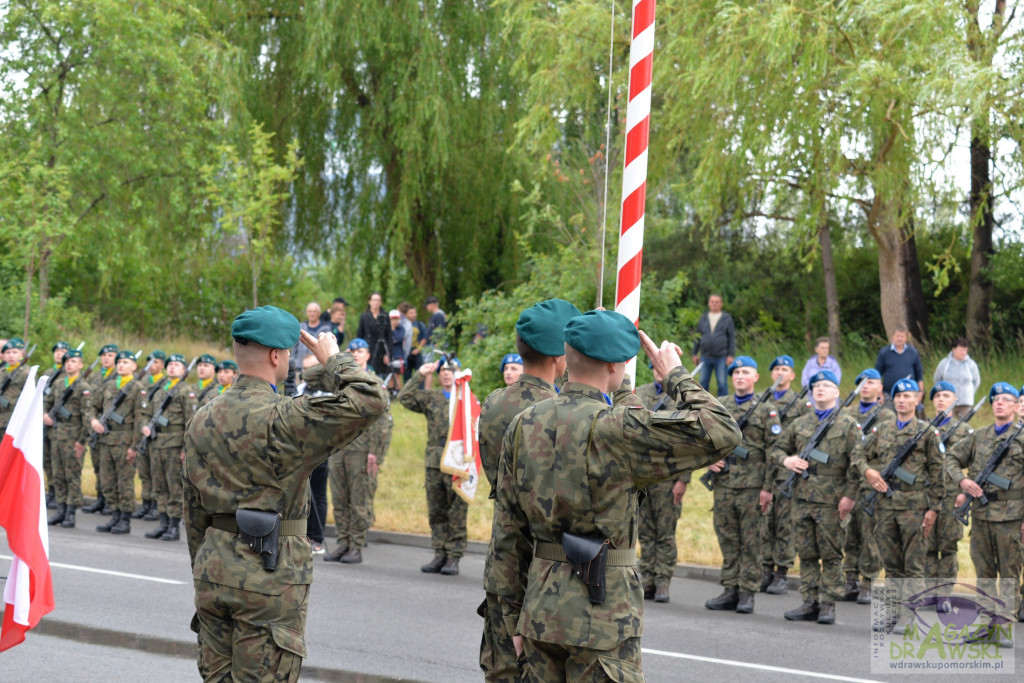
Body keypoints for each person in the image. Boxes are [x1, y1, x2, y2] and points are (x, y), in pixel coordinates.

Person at [490, 312, 740, 681]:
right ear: (615, 365)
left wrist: (512, 620)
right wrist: (675, 375)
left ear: (566, 357)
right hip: (602, 613)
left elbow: (507, 534)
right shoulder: (618, 427)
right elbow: (721, 430)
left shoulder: (524, 423)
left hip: (540, 610)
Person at [183, 306, 388, 681]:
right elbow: (371, 399)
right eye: (289, 353)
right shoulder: (287, 418)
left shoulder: (203, 417)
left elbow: (193, 511)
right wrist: (335, 360)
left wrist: (207, 564)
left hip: (213, 570)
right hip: (268, 576)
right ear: (277, 356)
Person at [478, 298, 581, 682]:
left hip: (502, 557)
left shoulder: (492, 403)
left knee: (503, 669)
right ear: (560, 355)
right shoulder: (560, 412)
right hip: (547, 564)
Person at [851, 378, 943, 634]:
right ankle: (892, 613)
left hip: (915, 507)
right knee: (891, 565)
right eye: (898, 396)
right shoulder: (882, 428)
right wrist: (868, 471)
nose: (902, 400)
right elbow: (857, 453)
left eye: (908, 395)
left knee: (912, 565)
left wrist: (934, 509)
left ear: (917, 400)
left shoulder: (927, 432)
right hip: (886, 505)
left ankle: (908, 616)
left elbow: (938, 474)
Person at [768, 370, 861, 625]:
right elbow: (775, 448)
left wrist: (850, 497)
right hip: (802, 498)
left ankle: (829, 603)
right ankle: (810, 601)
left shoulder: (848, 425)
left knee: (831, 554)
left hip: (832, 501)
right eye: (816, 386)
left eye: (826, 385)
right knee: (807, 553)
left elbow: (857, 464)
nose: (820, 389)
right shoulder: (800, 424)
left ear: (836, 392)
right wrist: (787, 460)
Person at [704, 356, 780, 614]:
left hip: (752, 486)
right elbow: (707, 437)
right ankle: (730, 588)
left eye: (745, 372)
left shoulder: (765, 409)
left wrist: (768, 488)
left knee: (751, 540)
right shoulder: (720, 404)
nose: (739, 376)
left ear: (756, 377)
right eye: (735, 372)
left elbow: (774, 450)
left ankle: (747, 592)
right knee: (727, 537)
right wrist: (709, 460)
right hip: (725, 483)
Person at [945, 382, 1024, 625]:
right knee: (985, 572)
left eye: (1006, 399)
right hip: (981, 513)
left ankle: (1006, 622)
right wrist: (963, 482)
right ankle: (988, 621)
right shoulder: (979, 435)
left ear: (1015, 406)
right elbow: (951, 458)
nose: (999, 403)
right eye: (996, 399)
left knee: (1009, 573)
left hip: (1011, 517)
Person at [317, 338, 392, 565]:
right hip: (340, 448)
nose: (356, 354)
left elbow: (384, 423)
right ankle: (343, 543)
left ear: (368, 355)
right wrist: (333, 357)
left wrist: (375, 454)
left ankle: (356, 546)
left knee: (359, 500)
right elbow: (311, 376)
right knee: (340, 498)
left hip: (362, 450)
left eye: (359, 351)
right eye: (352, 351)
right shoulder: (340, 381)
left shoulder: (374, 382)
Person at [398, 356, 467, 575]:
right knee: (436, 509)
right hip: (434, 461)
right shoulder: (432, 398)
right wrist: (421, 373)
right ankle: (439, 553)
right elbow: (404, 397)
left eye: (451, 369)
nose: (446, 373)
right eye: (442, 370)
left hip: (457, 462)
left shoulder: (466, 399)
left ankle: (454, 556)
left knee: (456, 510)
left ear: (457, 373)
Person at [636, 364, 690, 604]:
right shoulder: (640, 393)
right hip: (643, 476)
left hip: (668, 478)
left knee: (665, 534)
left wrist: (683, 480)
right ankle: (646, 580)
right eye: (655, 368)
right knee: (645, 533)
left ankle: (663, 583)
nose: (659, 372)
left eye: (662, 368)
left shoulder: (682, 398)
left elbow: (688, 443)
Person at [839, 368, 891, 604]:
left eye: (871, 382)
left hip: (870, 481)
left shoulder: (886, 417)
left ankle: (868, 581)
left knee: (870, 534)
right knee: (849, 533)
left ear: (880, 387)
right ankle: (849, 579)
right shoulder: (846, 413)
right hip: (846, 480)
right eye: (861, 382)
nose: (866, 385)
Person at [760, 355, 808, 595]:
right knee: (764, 524)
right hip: (763, 471)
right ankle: (765, 569)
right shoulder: (762, 400)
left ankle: (782, 572)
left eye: (785, 369)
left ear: (792, 375)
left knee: (784, 525)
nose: (780, 372)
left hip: (786, 472)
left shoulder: (800, 404)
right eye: (776, 368)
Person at [137, 353, 197, 542]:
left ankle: (173, 526)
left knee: (174, 487)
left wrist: (185, 449)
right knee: (159, 485)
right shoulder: (160, 389)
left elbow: (192, 422)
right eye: (170, 364)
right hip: (156, 443)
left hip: (174, 444)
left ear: (184, 370)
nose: (172, 367)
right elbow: (145, 412)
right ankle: (162, 523)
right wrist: (145, 426)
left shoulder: (185, 391)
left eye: (177, 365)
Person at [87, 350, 147, 535]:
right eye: (119, 361)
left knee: (124, 482)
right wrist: (93, 421)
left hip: (125, 441)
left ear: (134, 367)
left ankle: (125, 520)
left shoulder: (138, 388)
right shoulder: (109, 385)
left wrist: (134, 446)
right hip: (106, 441)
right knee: (107, 481)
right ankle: (114, 515)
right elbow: (92, 407)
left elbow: (140, 419)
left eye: (126, 362)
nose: (121, 365)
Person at [926, 381, 968, 581]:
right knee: (927, 543)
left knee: (948, 545)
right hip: (927, 494)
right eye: (937, 396)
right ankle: (929, 588)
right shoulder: (924, 428)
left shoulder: (964, 430)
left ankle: (944, 591)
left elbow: (975, 463)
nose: (941, 399)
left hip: (952, 495)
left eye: (946, 396)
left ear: (955, 400)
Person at [43, 348, 88, 529]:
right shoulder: (59, 383)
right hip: (57, 435)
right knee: (58, 475)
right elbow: (47, 402)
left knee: (72, 476)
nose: (69, 364)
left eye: (73, 361)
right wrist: (45, 413)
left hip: (73, 437)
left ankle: (70, 513)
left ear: (80, 365)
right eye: (67, 361)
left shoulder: (83, 387)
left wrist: (82, 441)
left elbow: (86, 416)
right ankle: (60, 511)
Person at [81, 344, 119, 515]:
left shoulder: (121, 377)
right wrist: (92, 420)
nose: (106, 358)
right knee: (98, 467)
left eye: (110, 355)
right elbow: (91, 405)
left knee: (112, 471)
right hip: (96, 429)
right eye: (104, 355)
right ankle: (100, 499)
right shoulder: (95, 377)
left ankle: (113, 503)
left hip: (114, 432)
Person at [133, 350, 168, 521]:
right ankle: (146, 502)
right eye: (149, 362)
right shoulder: (142, 382)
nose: (151, 365)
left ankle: (156, 505)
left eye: (155, 362)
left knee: (156, 472)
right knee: (144, 470)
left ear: (162, 365)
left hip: (158, 434)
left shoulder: (167, 383)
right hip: (142, 430)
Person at [690, 293, 736, 397]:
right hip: (705, 356)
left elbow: (732, 337)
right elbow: (698, 336)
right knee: (703, 383)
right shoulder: (704, 318)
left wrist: (731, 355)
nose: (714, 303)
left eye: (717, 302)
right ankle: (703, 406)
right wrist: (694, 353)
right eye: (712, 301)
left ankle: (722, 407)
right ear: (709, 303)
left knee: (722, 383)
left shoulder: (727, 318)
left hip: (721, 356)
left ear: (721, 304)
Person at [932, 338, 981, 418]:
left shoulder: (971, 364)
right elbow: (937, 379)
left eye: (965, 350)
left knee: (964, 426)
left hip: (965, 402)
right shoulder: (944, 363)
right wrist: (943, 394)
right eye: (961, 350)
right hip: (947, 402)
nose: (963, 352)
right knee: (946, 425)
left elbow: (976, 381)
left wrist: (969, 393)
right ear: (954, 349)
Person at [875, 326, 923, 398]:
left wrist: (921, 392)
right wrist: (879, 393)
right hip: (888, 395)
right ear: (893, 336)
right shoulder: (884, 352)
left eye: (902, 336)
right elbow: (877, 375)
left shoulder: (913, 352)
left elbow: (919, 374)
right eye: (897, 336)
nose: (899, 339)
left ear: (906, 338)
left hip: (909, 394)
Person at [357, 292, 391, 375]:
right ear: (370, 301)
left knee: (381, 375)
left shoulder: (385, 316)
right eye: (374, 300)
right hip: (368, 349)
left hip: (382, 351)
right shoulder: (364, 316)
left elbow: (389, 336)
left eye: (378, 300)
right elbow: (360, 335)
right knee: (368, 372)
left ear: (381, 302)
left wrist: (388, 354)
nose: (376, 302)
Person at [0, 338, 29, 432]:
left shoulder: (27, 372)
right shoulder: (1, 372)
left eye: (14, 352)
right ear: (3, 355)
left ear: (21, 354)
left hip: (15, 420)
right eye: (8, 352)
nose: (11, 355)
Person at [387, 309, 405, 392]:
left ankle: (398, 391)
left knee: (397, 374)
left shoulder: (401, 329)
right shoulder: (386, 329)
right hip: (389, 355)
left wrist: (393, 329)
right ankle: (391, 390)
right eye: (392, 319)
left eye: (396, 319)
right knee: (390, 374)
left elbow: (398, 338)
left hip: (398, 355)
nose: (394, 321)